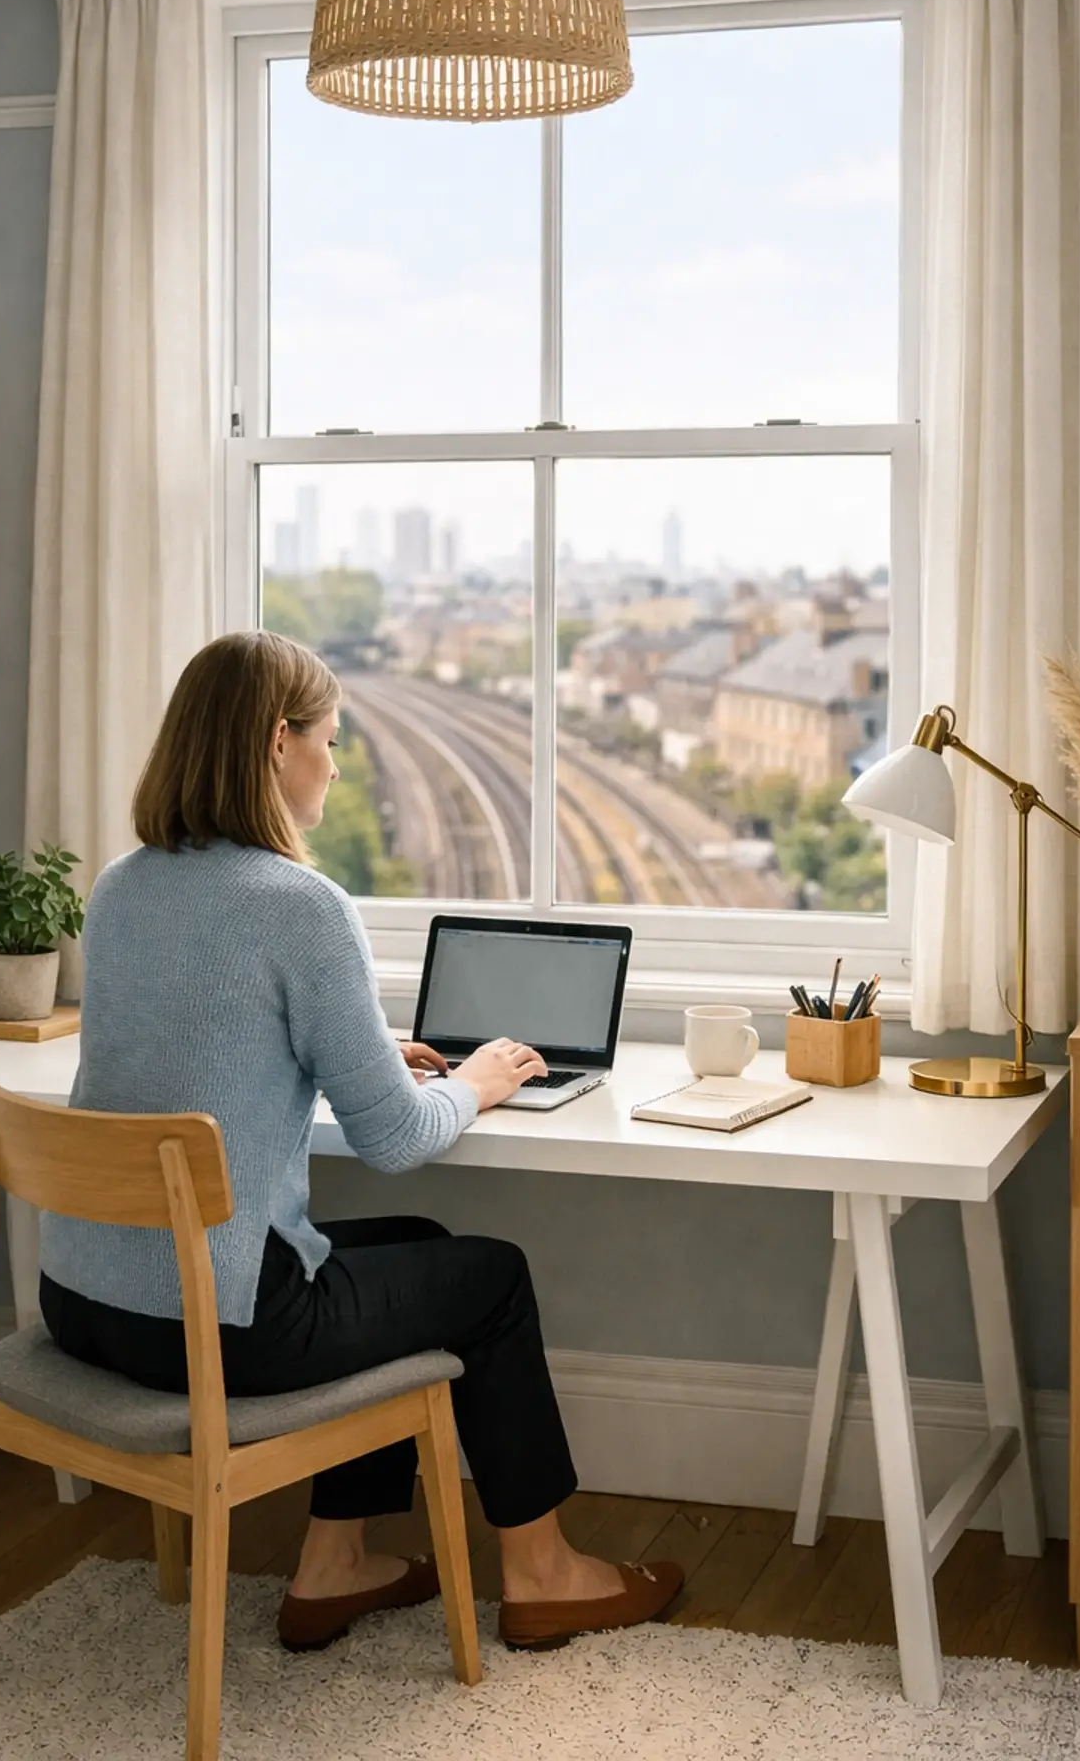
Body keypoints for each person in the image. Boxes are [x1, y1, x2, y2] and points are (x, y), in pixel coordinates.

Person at [39, 630, 682, 1653]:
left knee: (417, 1243)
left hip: (86, 1302)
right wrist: (478, 1083)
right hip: (217, 1327)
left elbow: (203, 1038)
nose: (336, 766)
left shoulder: (120, 888)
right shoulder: (303, 906)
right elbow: (392, 1135)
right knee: (493, 1279)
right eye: (330, 741)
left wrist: (366, 1049)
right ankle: (545, 1575)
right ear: (277, 743)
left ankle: (336, 1563)